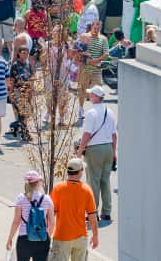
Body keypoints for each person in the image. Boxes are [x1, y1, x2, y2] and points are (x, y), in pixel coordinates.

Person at [75, 86, 117, 222]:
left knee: (93, 181)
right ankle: (106, 211)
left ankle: (93, 212)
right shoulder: (110, 112)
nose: (89, 96)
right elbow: (114, 135)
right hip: (108, 148)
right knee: (105, 181)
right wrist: (114, 151)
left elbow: (87, 134)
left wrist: (79, 151)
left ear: (96, 97)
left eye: (91, 94)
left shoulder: (91, 112)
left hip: (95, 149)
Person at [47, 158, 99, 261]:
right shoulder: (87, 190)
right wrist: (95, 235)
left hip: (62, 236)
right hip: (81, 237)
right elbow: (92, 216)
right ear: (79, 172)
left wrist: (47, 234)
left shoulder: (58, 188)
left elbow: (51, 215)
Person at [6, 171, 55, 261]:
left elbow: (16, 221)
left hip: (24, 239)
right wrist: (46, 236)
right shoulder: (47, 199)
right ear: (38, 182)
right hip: (41, 239)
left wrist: (10, 238)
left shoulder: (21, 198)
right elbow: (52, 222)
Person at [77, 20, 109, 118]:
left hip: (96, 70)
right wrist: (84, 57)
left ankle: (96, 110)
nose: (97, 29)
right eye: (95, 27)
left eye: (99, 28)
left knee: (97, 90)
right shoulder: (84, 36)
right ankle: (80, 108)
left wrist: (96, 61)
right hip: (84, 69)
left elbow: (106, 53)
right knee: (82, 89)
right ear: (92, 26)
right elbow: (77, 49)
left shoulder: (103, 39)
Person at [7, 46, 33, 141]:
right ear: (19, 53)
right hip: (18, 91)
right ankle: (25, 133)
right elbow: (12, 80)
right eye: (23, 53)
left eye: (27, 53)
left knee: (27, 113)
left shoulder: (28, 65)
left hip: (27, 91)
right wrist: (11, 94)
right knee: (23, 113)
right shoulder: (15, 65)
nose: (25, 55)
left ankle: (16, 126)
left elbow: (31, 79)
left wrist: (31, 92)